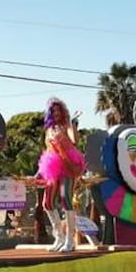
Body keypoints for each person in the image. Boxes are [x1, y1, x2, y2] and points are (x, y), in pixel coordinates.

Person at [37, 97, 85, 252]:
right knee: (47, 203)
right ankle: (59, 237)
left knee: (65, 200)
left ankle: (70, 241)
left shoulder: (66, 125)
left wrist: (71, 124)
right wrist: (39, 172)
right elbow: (48, 149)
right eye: (53, 111)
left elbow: (74, 140)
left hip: (68, 163)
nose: (56, 113)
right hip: (52, 165)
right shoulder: (49, 130)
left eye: (59, 110)